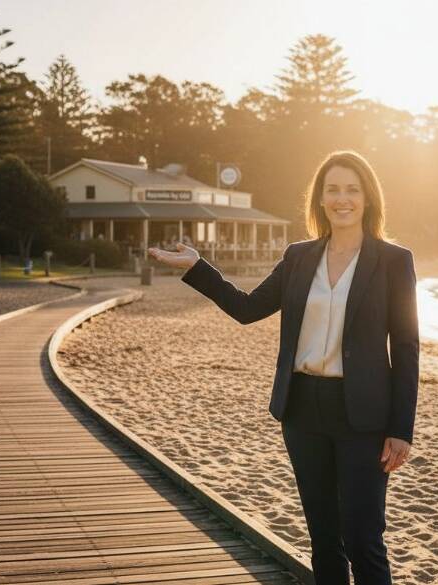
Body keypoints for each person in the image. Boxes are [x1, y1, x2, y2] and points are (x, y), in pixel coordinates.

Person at [148, 150, 419, 585]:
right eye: (333, 189)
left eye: (352, 189)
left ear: (368, 197)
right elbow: (248, 307)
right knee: (323, 538)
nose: (342, 198)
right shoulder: (299, 257)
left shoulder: (393, 261)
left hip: (364, 418)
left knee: (363, 538)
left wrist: (401, 428)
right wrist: (198, 268)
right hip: (303, 411)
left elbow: (406, 348)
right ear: (320, 198)